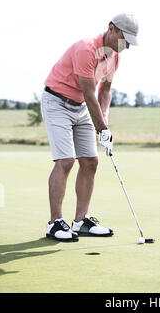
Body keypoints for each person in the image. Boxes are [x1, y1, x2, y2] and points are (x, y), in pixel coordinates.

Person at [41, 14, 139, 242]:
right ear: (111, 29)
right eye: (124, 40)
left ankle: (80, 221)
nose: (127, 47)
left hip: (82, 106)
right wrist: (101, 128)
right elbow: (89, 91)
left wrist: (105, 123)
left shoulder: (114, 57)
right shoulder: (86, 49)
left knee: (90, 161)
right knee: (65, 161)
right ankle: (54, 223)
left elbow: (104, 91)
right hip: (57, 101)